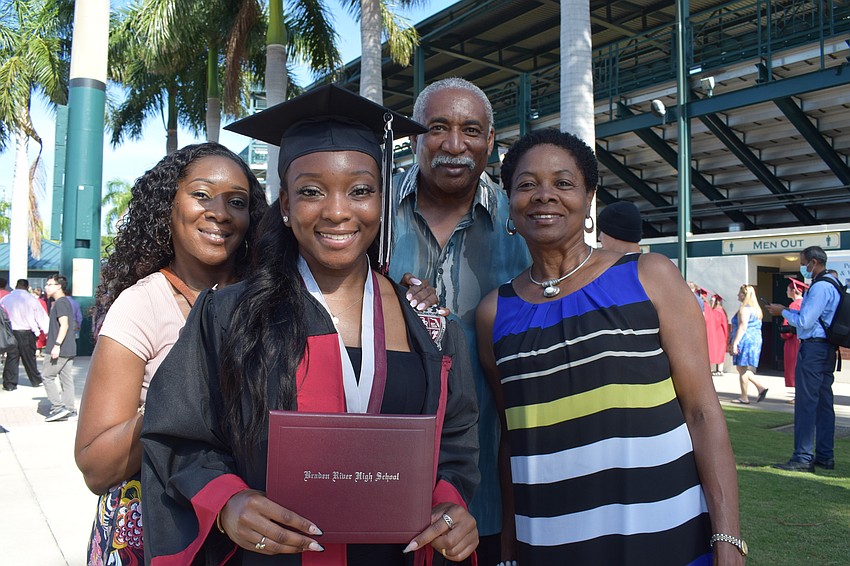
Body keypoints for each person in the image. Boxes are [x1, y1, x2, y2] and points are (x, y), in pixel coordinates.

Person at [141, 85, 480, 565]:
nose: (337, 211)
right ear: (284, 205)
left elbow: (456, 442)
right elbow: (175, 435)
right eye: (311, 192)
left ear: (382, 201)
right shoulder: (229, 315)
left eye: (360, 190)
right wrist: (226, 504)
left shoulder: (429, 326)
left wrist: (450, 505)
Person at [477, 129, 744, 565]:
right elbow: (514, 437)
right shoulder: (495, 313)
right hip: (549, 544)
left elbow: (702, 412)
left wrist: (727, 541)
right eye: (527, 185)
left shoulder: (649, 277)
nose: (545, 195)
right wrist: (509, 549)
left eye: (563, 183)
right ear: (509, 201)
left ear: (588, 200)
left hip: (665, 540)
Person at [74, 143, 269, 564]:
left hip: (259, 528)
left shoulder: (271, 298)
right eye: (201, 194)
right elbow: (96, 465)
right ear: (168, 203)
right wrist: (180, 401)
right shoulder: (143, 305)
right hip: (168, 529)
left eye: (237, 202)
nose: (219, 212)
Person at [389, 77, 530, 564]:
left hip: (490, 482)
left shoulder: (524, 224)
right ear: (413, 138)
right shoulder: (370, 211)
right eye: (437, 128)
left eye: (471, 130)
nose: (454, 145)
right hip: (378, 470)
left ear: (490, 142)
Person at [767, 246, 840, 472]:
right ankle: (825, 455)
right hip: (826, 348)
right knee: (825, 404)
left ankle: (803, 457)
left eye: (804, 263)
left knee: (807, 404)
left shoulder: (820, 287)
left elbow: (806, 321)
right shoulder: (834, 284)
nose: (803, 267)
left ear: (814, 262)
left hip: (814, 349)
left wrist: (783, 312)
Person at [0, 279, 48, 390]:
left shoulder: (6, 299)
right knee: (29, 357)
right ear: (27, 287)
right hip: (26, 332)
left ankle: (9, 383)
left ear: (16, 286)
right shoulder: (31, 299)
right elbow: (40, 316)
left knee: (12, 357)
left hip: (10, 332)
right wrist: (46, 331)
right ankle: (35, 380)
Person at [42, 274, 78, 422]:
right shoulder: (63, 302)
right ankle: (69, 409)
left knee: (47, 376)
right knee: (66, 379)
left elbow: (65, 325)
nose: (46, 287)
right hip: (68, 347)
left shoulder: (60, 303)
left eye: (50, 284)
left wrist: (56, 345)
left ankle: (58, 408)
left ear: (59, 286)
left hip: (60, 348)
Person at [728, 284, 768, 404]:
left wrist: (735, 343)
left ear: (745, 295)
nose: (738, 295)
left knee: (742, 368)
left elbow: (742, 327)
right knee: (742, 368)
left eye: (740, 293)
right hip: (754, 339)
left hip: (745, 340)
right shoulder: (756, 309)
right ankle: (760, 388)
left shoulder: (745, 309)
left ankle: (744, 396)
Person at [780, 277, 807, 403]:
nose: (786, 292)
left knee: (794, 367)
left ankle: (798, 395)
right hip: (802, 339)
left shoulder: (794, 305)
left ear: (794, 291)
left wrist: (783, 334)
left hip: (793, 341)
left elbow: (788, 327)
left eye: (788, 289)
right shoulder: (804, 303)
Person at [707, 293, 729, 376]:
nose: (711, 302)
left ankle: (720, 369)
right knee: (714, 351)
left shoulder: (719, 311)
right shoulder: (716, 310)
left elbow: (723, 324)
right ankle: (716, 369)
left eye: (712, 301)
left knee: (719, 351)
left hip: (719, 334)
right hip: (715, 334)